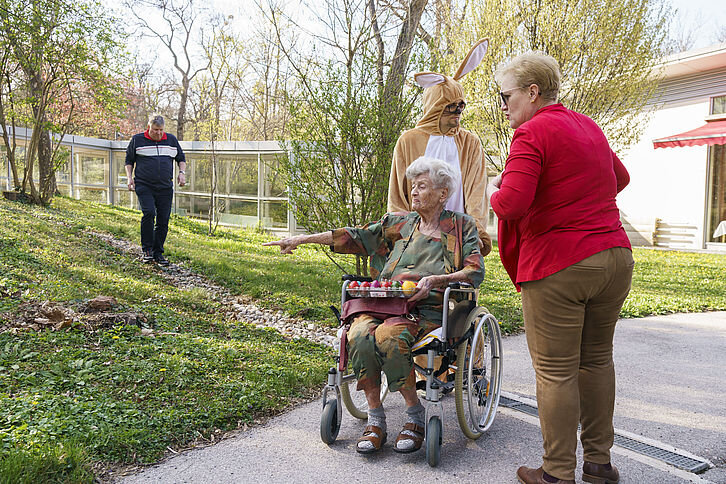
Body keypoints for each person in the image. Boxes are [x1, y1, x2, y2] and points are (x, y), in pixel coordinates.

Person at [264, 156, 484, 455]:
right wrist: (303, 239)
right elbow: (354, 235)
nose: (414, 192)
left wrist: (436, 280)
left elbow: (474, 271)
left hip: (428, 309)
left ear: (443, 194)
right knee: (358, 335)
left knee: (389, 337)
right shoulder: (399, 223)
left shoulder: (460, 226)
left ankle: (414, 415)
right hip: (382, 302)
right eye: (412, 186)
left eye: (422, 186)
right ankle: (376, 417)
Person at [487, 52, 633, 484]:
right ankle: (600, 465)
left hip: (560, 264)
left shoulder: (531, 133)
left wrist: (491, 188)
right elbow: (619, 178)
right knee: (596, 362)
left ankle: (556, 472)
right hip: (614, 257)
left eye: (506, 95)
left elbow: (511, 203)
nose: (503, 105)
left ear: (533, 92)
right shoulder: (588, 125)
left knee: (556, 373)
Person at [388, 38, 493, 257]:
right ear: (435, 108)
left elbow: (476, 194)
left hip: (458, 238)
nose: (457, 113)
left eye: (460, 106)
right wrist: (401, 235)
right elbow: (398, 195)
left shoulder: (470, 143)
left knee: (455, 289)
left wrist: (474, 234)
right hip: (416, 238)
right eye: (450, 107)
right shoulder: (409, 140)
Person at [125, 115, 186, 266]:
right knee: (149, 212)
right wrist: (129, 178)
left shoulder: (171, 140)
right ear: (149, 127)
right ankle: (147, 250)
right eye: (155, 130)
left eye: (161, 130)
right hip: (144, 185)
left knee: (163, 219)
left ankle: (158, 252)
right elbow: (129, 160)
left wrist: (181, 173)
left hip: (165, 187)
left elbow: (181, 158)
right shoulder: (137, 140)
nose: (158, 133)